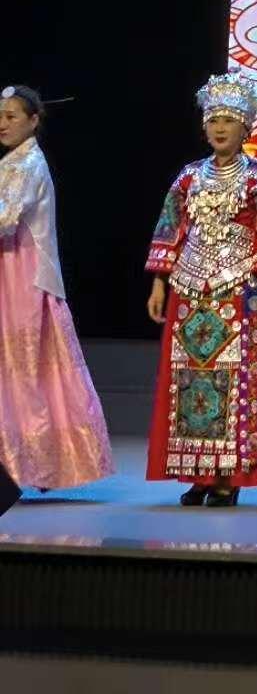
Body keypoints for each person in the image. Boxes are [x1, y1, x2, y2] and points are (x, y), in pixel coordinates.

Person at [145, 71, 257, 506]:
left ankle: (229, 476)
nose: (220, 128)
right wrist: (159, 284)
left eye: (228, 121)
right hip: (188, 289)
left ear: (245, 128)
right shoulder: (188, 177)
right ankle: (198, 474)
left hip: (239, 288)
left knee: (238, 382)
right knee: (189, 382)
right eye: (213, 121)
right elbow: (170, 228)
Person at [0, 85, 113, 491]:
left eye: (11, 116)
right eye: (0, 116)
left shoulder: (29, 163)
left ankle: (37, 462)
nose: (3, 123)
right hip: (9, 270)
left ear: (33, 121)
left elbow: (6, 219)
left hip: (22, 274)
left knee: (28, 368)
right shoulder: (12, 161)